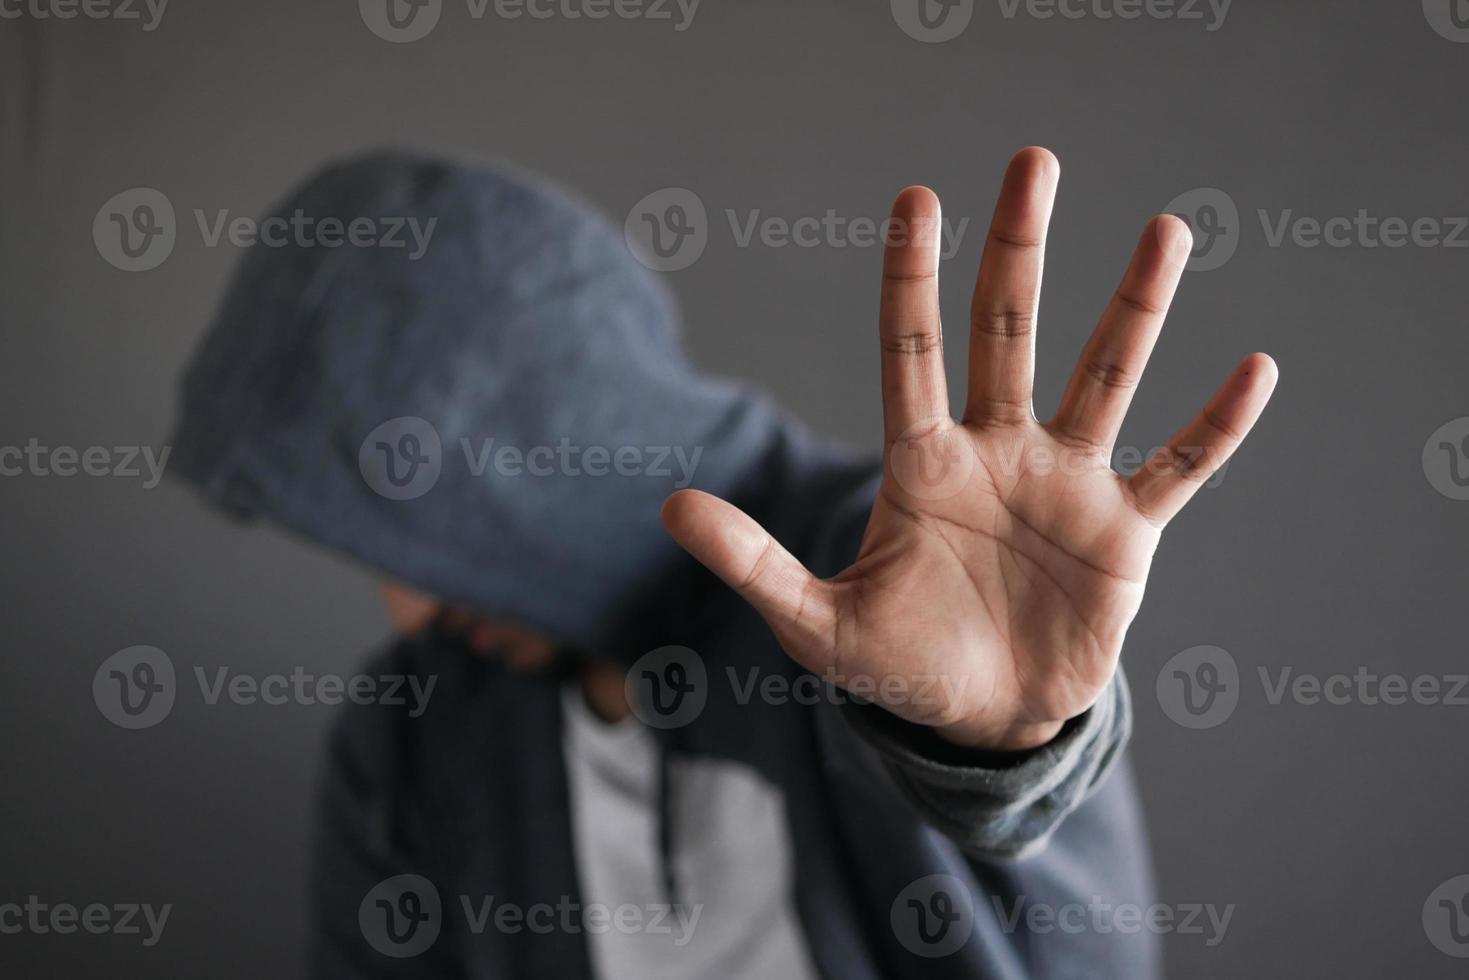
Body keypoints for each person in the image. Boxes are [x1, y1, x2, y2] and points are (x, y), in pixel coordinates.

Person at [169, 145, 1276, 979]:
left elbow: (1074, 938)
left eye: (414, 532)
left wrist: (993, 745)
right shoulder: (406, 737)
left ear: (532, 450)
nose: (405, 608)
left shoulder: (868, 576)